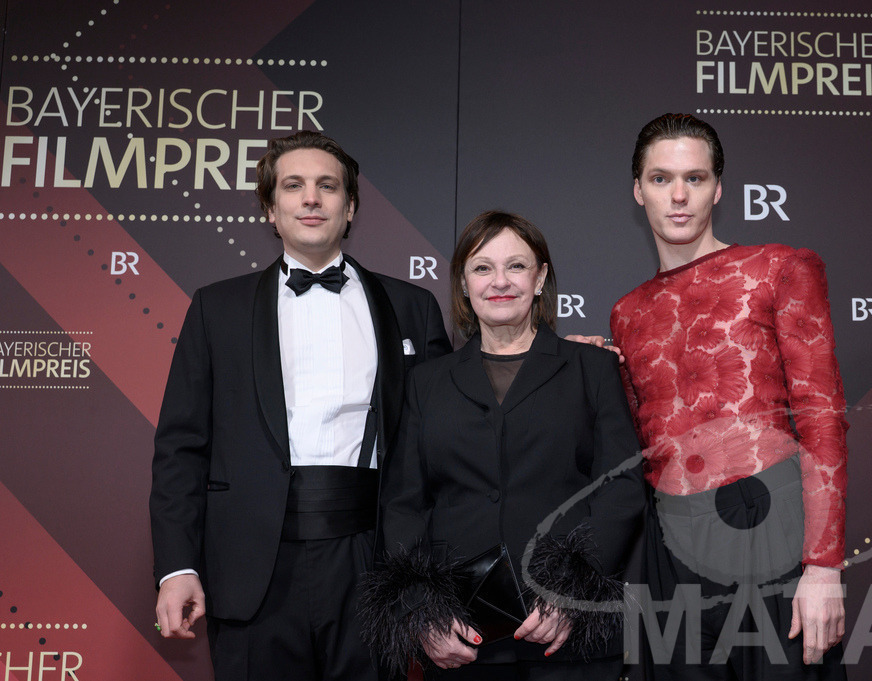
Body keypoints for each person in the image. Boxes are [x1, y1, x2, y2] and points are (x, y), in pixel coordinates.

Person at [149, 130, 451, 681]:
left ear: (350, 205)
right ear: (271, 208)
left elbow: (447, 439)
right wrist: (176, 565)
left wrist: (543, 351)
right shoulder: (216, 308)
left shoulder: (413, 307)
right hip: (251, 564)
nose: (311, 198)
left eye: (327, 186)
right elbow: (181, 448)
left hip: (373, 559)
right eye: (294, 185)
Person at [609, 114, 848, 680]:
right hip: (668, 546)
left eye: (695, 178)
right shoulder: (627, 312)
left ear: (718, 187)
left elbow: (822, 419)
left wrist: (824, 568)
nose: (679, 195)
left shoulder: (779, 269)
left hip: (769, 527)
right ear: (637, 190)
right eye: (662, 178)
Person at [361, 211, 645, 681]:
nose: (500, 282)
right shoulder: (426, 383)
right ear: (464, 283)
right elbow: (403, 505)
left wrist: (570, 591)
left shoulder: (591, 368)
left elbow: (621, 489)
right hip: (463, 638)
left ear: (540, 279)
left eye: (516, 266)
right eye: (482, 267)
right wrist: (421, 612)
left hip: (569, 636)